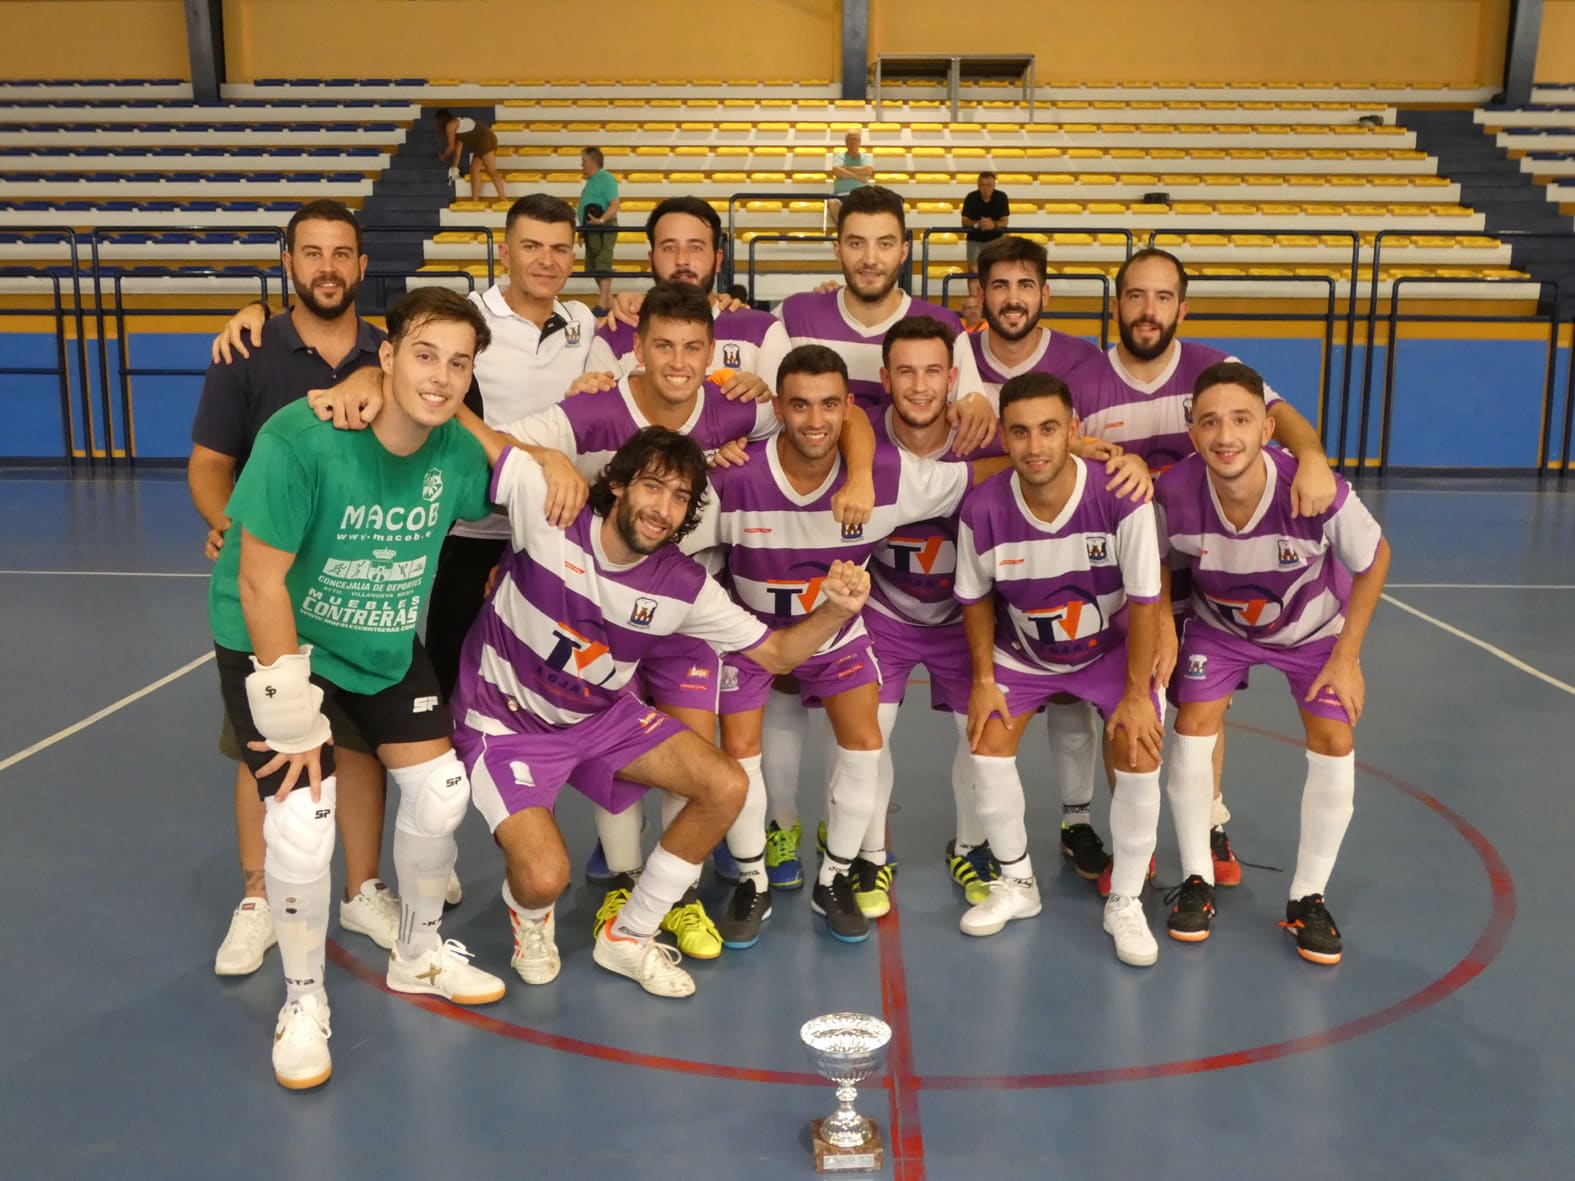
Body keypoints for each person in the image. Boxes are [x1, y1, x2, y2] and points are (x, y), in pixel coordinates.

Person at [448, 424, 875, 997]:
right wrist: (545, 455)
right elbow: (469, 427)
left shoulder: (683, 585)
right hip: (504, 726)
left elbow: (776, 655)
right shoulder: (549, 510)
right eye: (653, 487)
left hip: (601, 718)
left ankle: (629, 936)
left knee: (725, 785)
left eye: (680, 499)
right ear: (618, 485)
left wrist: (833, 612)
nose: (663, 509)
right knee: (545, 877)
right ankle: (530, 922)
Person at [208, 286, 507, 1089]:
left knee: (442, 792)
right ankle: (304, 1000)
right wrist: (291, 708)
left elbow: (510, 465)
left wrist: (457, 412)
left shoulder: (452, 452)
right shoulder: (300, 436)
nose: (440, 377)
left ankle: (416, 951)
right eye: (422, 354)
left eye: (459, 363)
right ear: (385, 354)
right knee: (304, 823)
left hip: (376, 639)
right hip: (277, 639)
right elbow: (260, 579)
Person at [681, 345, 1006, 947]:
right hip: (752, 635)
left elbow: (975, 475)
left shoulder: (885, 476)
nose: (814, 420)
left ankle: (834, 876)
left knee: (864, 745)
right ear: (778, 408)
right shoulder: (733, 477)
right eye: (799, 405)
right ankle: (751, 879)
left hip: (836, 633)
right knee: (740, 751)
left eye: (830, 405)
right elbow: (669, 535)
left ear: (849, 408)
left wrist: (1071, 456)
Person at [1063, 247, 1338, 890]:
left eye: (1162, 298)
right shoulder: (1085, 380)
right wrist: (1085, 448)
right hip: (1127, 574)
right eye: (1135, 296)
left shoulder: (1219, 367)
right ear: (1117, 305)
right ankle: (1140, 836)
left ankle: (1209, 820)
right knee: (1131, 705)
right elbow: (1059, 448)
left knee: (1198, 704)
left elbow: (1285, 419)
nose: (1148, 310)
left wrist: (1315, 457)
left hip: (1206, 566)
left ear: (1182, 308)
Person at [189, 199, 406, 977]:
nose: (327, 267)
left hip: (357, 588)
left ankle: (363, 885)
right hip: (271, 590)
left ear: (360, 265)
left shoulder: (391, 352)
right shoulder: (247, 352)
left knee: (358, 743)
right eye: (311, 253)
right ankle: (257, 894)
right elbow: (211, 462)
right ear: (288, 263)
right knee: (265, 752)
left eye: (341, 253)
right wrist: (223, 521)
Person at [1155, 361, 1389, 963]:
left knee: (1334, 739)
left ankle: (1307, 897)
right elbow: (1152, 562)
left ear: (1267, 428)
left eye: (1240, 420)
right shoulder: (1174, 492)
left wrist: (1348, 656)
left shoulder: (1312, 490)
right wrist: (1162, 624)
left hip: (1312, 631)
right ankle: (1197, 878)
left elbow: (1375, 558)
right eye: (1209, 422)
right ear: (1191, 430)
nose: (1225, 435)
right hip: (1219, 627)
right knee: (1191, 728)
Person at [954, 371, 1167, 967]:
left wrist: (1135, 695)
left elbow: (1147, 600)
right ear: (1004, 436)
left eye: (1049, 429)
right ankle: (1017, 884)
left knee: (1139, 745)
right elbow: (974, 598)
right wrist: (982, 681)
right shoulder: (984, 508)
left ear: (1074, 431)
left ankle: (1125, 899)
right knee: (987, 740)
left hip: (1111, 650)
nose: (1035, 446)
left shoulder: (1121, 496)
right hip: (1023, 653)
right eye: (1019, 432)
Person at [969, 233, 1122, 894]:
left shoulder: (1081, 361)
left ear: (1044, 294)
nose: (1011, 298)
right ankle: (978, 839)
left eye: (1023, 285)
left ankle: (1075, 819)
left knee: (1075, 692)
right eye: (998, 286)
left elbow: (1089, 441)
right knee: (983, 708)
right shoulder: (953, 353)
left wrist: (1119, 461)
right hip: (985, 535)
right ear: (978, 295)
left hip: (1069, 533)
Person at [588, 196, 793, 406]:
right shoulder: (613, 336)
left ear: (718, 260)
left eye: (695, 247)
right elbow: (602, 425)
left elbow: (782, 422)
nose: (682, 260)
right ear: (651, 260)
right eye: (669, 247)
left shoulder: (764, 331)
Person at [578, 146, 621, 315]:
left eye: (583, 161)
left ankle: (603, 303)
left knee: (603, 261)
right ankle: (609, 300)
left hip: (604, 226)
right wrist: (582, 231)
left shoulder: (606, 179)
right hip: (591, 227)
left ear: (592, 161)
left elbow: (614, 204)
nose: (581, 164)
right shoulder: (591, 180)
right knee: (594, 264)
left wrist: (601, 220)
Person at [434, 108, 506, 202]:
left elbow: (450, 147)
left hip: (485, 141)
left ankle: (504, 199)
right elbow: (457, 147)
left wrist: (442, 157)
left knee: (491, 170)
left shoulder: (450, 125)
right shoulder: (457, 125)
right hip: (481, 142)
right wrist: (454, 166)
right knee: (474, 170)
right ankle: (475, 201)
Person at [961, 171, 1010, 305]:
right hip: (975, 239)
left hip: (996, 240)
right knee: (973, 270)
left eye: (989, 185)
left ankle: (995, 301)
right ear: (978, 185)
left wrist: (993, 225)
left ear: (994, 185)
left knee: (997, 270)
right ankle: (974, 302)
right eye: (983, 185)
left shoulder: (1001, 197)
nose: (986, 188)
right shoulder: (971, 197)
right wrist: (978, 224)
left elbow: (1004, 221)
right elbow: (965, 221)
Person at [829, 128, 875, 222]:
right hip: (840, 196)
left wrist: (846, 168)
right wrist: (858, 177)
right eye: (850, 139)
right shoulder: (839, 156)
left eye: (855, 139)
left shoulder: (867, 157)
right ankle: (842, 231)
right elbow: (838, 172)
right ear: (845, 142)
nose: (853, 142)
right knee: (832, 203)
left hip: (861, 196)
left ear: (860, 142)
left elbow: (867, 171)